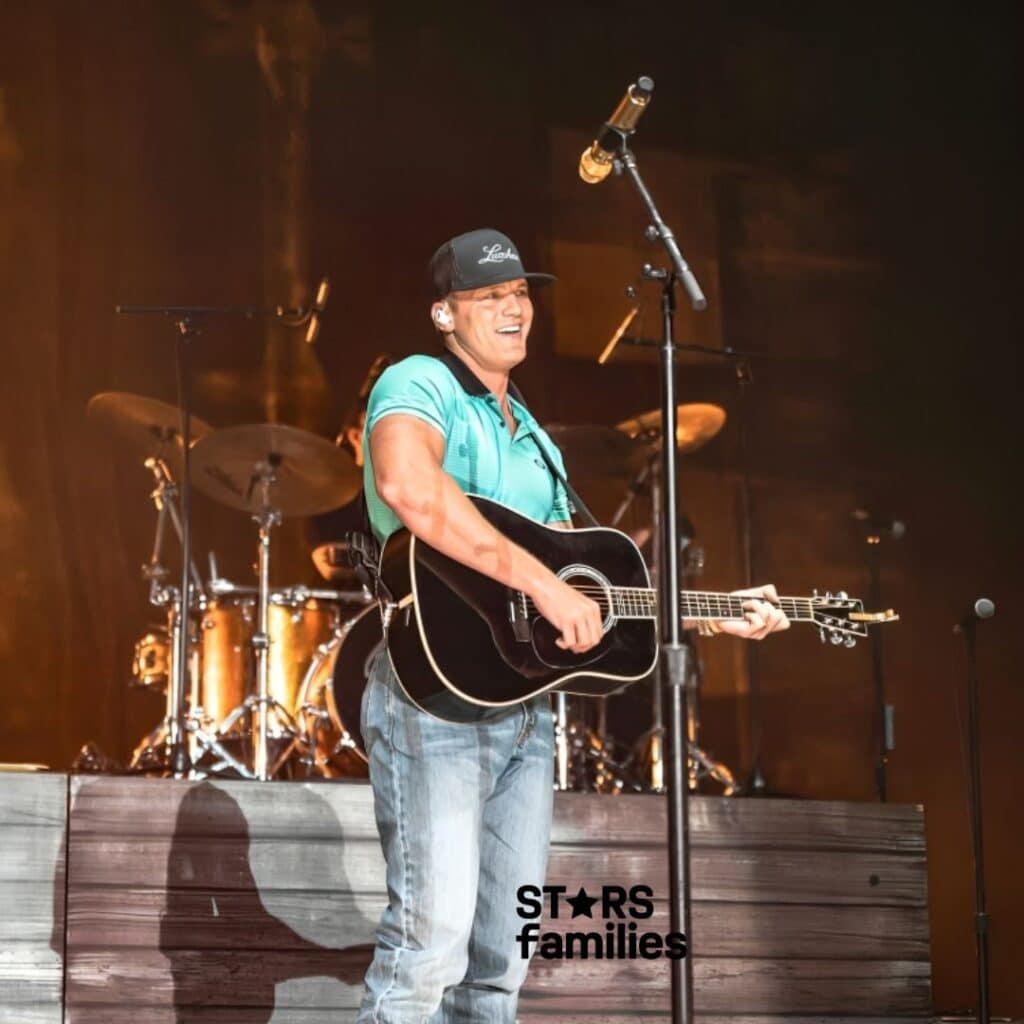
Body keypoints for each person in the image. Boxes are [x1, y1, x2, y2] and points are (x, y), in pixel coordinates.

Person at [355, 228, 789, 1023]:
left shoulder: (537, 440)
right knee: (430, 943)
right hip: (434, 706)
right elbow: (410, 488)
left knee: (500, 963)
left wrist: (711, 616)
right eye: (490, 297)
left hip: (523, 714)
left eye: (520, 293)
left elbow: (584, 589)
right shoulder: (419, 382)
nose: (514, 307)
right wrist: (541, 586)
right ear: (445, 315)